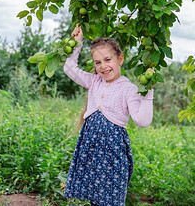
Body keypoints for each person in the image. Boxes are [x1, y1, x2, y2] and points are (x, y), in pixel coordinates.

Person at [63, 26, 154, 206]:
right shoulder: (94, 80)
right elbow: (69, 67)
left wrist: (148, 91)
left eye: (107, 59)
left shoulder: (129, 89)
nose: (103, 66)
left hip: (112, 154)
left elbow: (142, 121)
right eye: (97, 62)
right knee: (94, 198)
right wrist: (77, 44)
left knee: (110, 200)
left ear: (120, 59)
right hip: (91, 150)